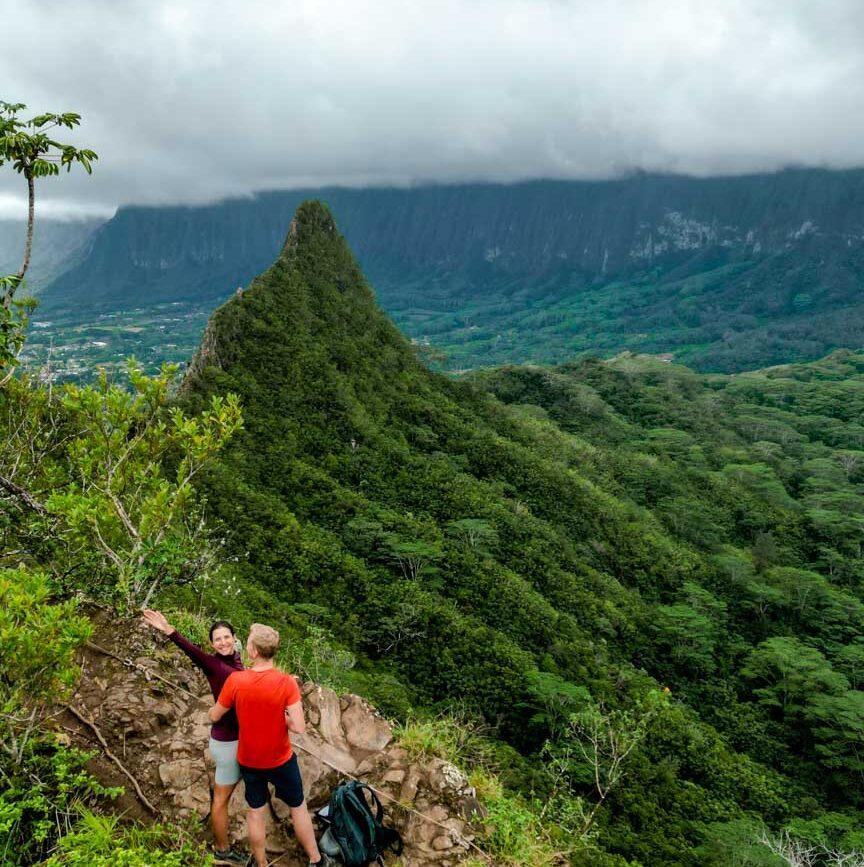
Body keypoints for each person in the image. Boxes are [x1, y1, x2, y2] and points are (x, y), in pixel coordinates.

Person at [209, 623, 332, 867]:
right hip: (280, 759)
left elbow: (215, 715)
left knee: (256, 812)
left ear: (253, 651)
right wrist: (280, 717)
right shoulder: (286, 683)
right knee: (298, 807)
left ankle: (262, 862)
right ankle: (316, 860)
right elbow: (299, 726)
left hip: (250, 760)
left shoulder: (236, 680)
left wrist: (213, 711)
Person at [142, 609, 247, 866]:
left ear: (234, 638)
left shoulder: (237, 662)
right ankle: (222, 849)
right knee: (221, 799)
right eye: (217, 639)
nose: (223, 642)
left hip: (237, 739)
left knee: (226, 793)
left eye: (226, 637)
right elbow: (191, 651)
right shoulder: (214, 664)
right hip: (227, 742)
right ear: (212, 644)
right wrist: (168, 630)